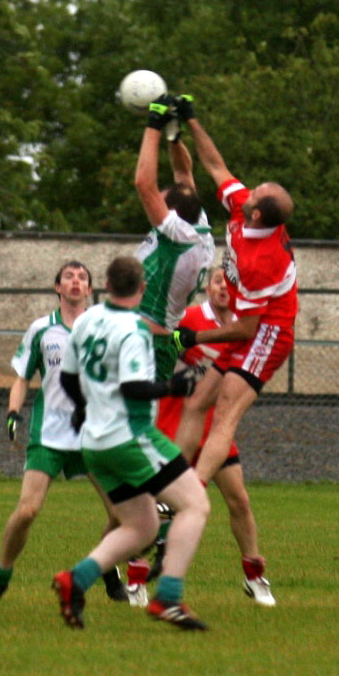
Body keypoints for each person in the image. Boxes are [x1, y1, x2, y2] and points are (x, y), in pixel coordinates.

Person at [172, 95, 298, 606]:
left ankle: (189, 494)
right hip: (246, 328)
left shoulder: (263, 255)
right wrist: (189, 119)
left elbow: (246, 329)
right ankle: (177, 485)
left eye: (257, 190)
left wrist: (194, 338)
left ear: (257, 209)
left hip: (269, 331)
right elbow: (215, 164)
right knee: (199, 400)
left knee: (224, 412)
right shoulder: (245, 208)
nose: (248, 186)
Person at [54, 256, 210, 631]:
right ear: (142, 290)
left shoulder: (87, 320)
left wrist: (85, 408)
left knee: (141, 526)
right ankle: (169, 597)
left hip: (94, 443)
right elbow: (133, 388)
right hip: (129, 436)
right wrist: (174, 386)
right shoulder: (134, 329)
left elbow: (68, 379)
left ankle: (75, 580)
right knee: (195, 505)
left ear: (106, 283)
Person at [0, 260, 127, 603]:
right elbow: (22, 378)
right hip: (49, 433)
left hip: (93, 433)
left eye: (82, 278)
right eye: (68, 277)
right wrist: (13, 412)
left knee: (122, 514)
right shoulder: (41, 330)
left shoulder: (104, 328)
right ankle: (1, 576)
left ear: (90, 290)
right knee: (28, 510)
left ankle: (105, 567)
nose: (76, 282)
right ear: (58, 287)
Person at [127, 95, 215, 604]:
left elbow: (144, 182)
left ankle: (148, 532)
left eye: (164, 199)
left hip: (147, 341)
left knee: (128, 448)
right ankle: (138, 535)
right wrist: (180, 133)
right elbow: (183, 184)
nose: (158, 196)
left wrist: (154, 128)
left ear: (170, 215)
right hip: (152, 336)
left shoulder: (178, 233)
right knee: (123, 449)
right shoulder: (199, 227)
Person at [155, 265, 276, 606]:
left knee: (239, 500)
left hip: (217, 431)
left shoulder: (244, 324)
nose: (224, 288)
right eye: (218, 282)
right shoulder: (190, 319)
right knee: (156, 503)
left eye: (230, 282)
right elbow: (160, 351)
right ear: (206, 288)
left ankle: (254, 576)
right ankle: (134, 576)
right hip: (179, 427)